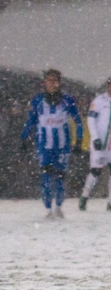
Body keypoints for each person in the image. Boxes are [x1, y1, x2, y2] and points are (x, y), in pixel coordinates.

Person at [22, 69, 83, 218]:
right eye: (49, 80)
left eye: (55, 80)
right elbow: (31, 121)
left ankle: (59, 207)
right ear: (44, 82)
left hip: (62, 146)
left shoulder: (67, 101)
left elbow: (78, 121)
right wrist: (24, 138)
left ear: (59, 83)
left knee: (61, 177)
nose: (52, 83)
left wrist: (79, 140)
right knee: (47, 176)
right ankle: (48, 209)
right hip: (44, 146)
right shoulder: (38, 101)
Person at [80, 76, 111, 212]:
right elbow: (91, 119)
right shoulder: (99, 101)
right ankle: (84, 196)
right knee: (96, 171)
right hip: (100, 142)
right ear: (108, 86)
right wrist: (95, 137)